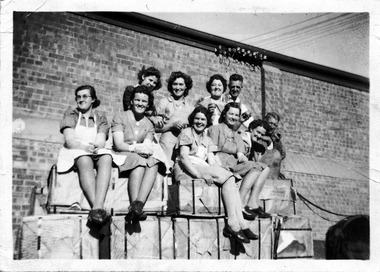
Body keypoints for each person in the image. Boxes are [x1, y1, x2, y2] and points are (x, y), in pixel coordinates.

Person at [174, 106, 258, 243]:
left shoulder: (206, 138)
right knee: (228, 176)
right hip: (186, 168)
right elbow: (183, 158)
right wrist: (199, 176)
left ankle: (240, 222)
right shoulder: (186, 133)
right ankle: (232, 222)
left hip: (202, 167)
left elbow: (212, 161)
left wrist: (223, 172)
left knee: (231, 178)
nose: (199, 122)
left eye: (203, 119)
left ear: (207, 121)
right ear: (192, 119)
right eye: (197, 119)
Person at [57, 85, 119, 226]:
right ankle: (98, 209)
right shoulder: (71, 115)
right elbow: (70, 141)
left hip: (92, 149)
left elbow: (101, 140)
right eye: (78, 97)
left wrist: (97, 146)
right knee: (84, 159)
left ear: (93, 99)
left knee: (106, 157)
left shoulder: (100, 117)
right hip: (75, 150)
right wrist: (85, 147)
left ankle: (97, 206)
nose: (81, 99)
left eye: (85, 96)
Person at [112, 85, 167, 222]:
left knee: (154, 161)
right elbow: (119, 145)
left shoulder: (148, 124)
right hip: (121, 153)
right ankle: (134, 205)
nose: (140, 104)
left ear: (148, 104)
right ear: (131, 101)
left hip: (137, 154)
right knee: (140, 161)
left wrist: (143, 150)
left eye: (144, 101)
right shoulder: (121, 116)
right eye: (137, 100)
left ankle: (138, 205)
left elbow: (147, 146)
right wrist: (136, 148)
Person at [207, 102, 271, 219]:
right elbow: (211, 152)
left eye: (236, 115)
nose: (233, 117)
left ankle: (251, 202)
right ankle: (240, 204)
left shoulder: (236, 135)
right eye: (231, 114)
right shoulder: (215, 129)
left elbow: (240, 155)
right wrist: (217, 166)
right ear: (224, 114)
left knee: (262, 167)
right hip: (220, 164)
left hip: (234, 164)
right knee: (255, 166)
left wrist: (245, 159)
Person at [155, 71, 195, 166]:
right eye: (175, 84)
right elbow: (155, 128)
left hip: (183, 145)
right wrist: (171, 126)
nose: (178, 88)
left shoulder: (190, 107)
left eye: (181, 84)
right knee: (164, 170)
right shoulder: (164, 102)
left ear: (186, 87)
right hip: (167, 144)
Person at [259, 112, 286, 179]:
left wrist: (276, 142)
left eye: (275, 125)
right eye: (270, 123)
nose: (272, 126)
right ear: (265, 121)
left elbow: (281, 155)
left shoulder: (275, 138)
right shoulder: (259, 132)